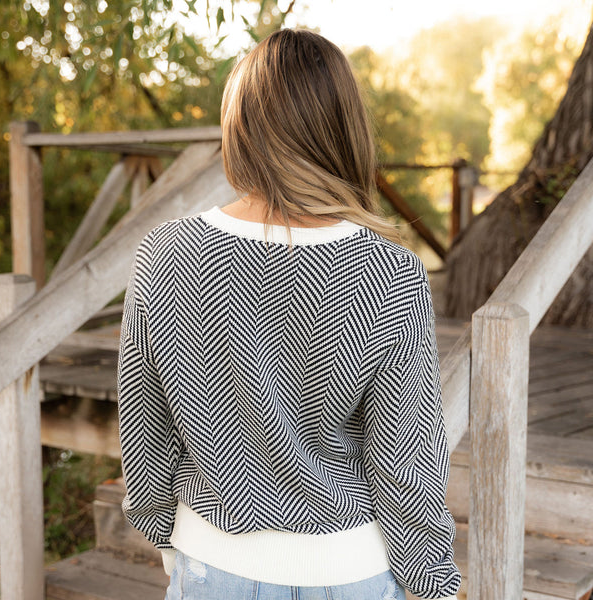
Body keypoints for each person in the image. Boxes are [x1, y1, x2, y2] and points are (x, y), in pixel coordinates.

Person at [117, 28, 462, 600]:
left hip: (209, 561)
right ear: (342, 129)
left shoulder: (163, 252)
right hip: (349, 569)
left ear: (242, 128)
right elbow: (406, 463)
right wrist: (433, 584)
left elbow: (145, 431)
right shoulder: (390, 271)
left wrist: (165, 534)